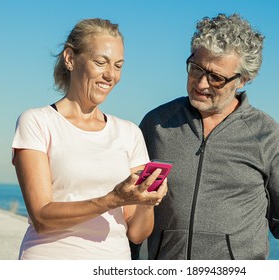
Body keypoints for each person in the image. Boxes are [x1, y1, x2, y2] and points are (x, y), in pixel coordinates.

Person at [138, 13, 279, 259]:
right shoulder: (156, 124)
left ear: (243, 79)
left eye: (216, 78)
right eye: (196, 69)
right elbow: (130, 209)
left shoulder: (265, 135)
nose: (201, 84)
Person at [11, 18, 167, 260]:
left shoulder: (129, 133)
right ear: (70, 58)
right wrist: (112, 199)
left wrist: (147, 200)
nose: (110, 75)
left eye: (118, 65)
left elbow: (137, 233)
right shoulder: (37, 122)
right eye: (100, 62)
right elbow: (42, 217)